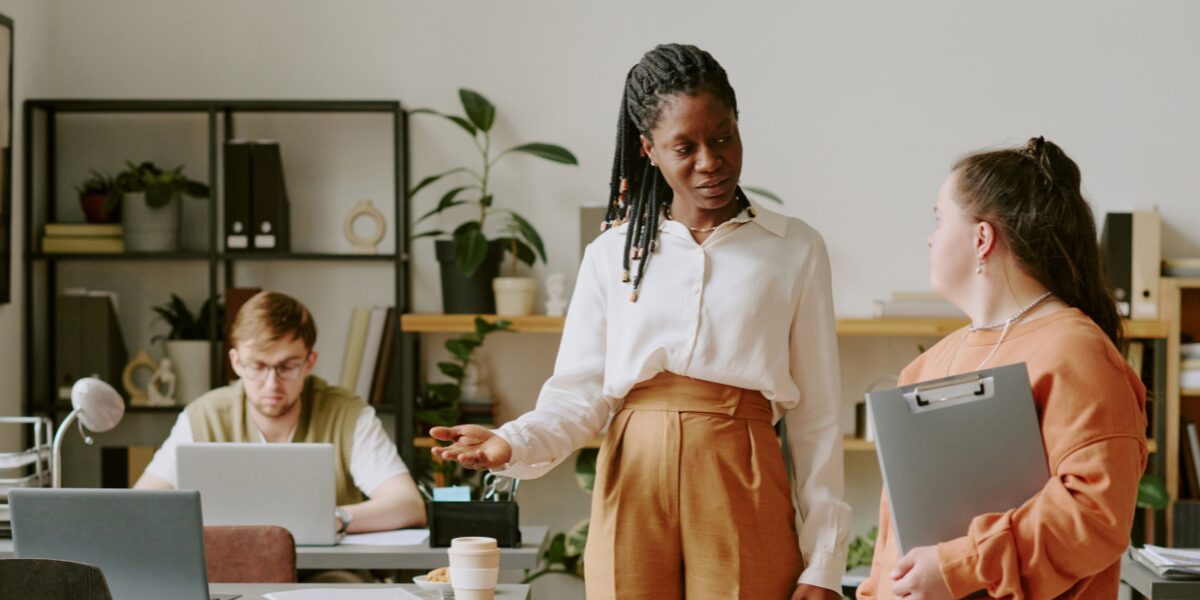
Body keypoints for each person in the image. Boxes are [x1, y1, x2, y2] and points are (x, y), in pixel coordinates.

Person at [430, 43, 849, 600]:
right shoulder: (611, 254)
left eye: (722, 137)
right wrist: (510, 443)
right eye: (685, 147)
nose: (710, 160)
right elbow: (580, 396)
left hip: (742, 468)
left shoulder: (795, 248)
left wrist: (822, 562)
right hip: (633, 473)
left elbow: (818, 418)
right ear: (649, 150)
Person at [857, 137, 1146, 599]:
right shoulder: (924, 368)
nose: (929, 237)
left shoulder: (1078, 352)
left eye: (939, 218)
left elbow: (1094, 515)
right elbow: (893, 546)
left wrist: (960, 565)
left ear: (982, 238)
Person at [135, 291, 426, 534]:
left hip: (326, 578)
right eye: (258, 366)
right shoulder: (203, 416)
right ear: (236, 362)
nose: (272, 383)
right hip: (225, 575)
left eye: (287, 367)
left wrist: (334, 518)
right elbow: (141, 505)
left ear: (310, 362)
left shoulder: (347, 414)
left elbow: (408, 505)